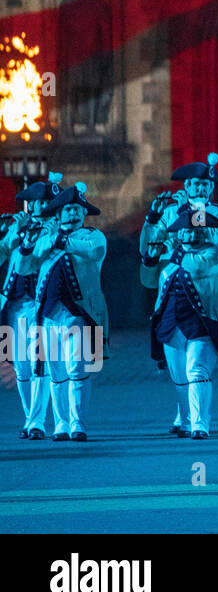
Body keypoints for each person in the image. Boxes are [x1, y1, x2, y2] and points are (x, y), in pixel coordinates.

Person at [139, 152, 218, 433]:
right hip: (171, 305)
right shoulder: (171, 211)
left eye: (205, 184)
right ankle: (185, 416)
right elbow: (150, 247)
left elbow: (210, 236)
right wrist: (152, 220)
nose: (200, 189)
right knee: (179, 374)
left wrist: (185, 215)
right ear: (186, 187)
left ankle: (200, 423)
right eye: (194, 184)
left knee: (197, 369)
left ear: (211, 188)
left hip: (203, 303)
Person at [33, 181, 108, 442]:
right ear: (58, 214)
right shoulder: (45, 239)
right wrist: (49, 237)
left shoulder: (92, 236)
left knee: (76, 368)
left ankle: (78, 423)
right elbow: (33, 256)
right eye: (67, 210)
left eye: (77, 209)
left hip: (79, 314)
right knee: (56, 372)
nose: (73, 213)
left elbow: (92, 250)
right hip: (50, 316)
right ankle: (61, 423)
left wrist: (59, 238)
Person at [1, 173, 62, 439]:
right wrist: (12, 232)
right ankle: (30, 418)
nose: (36, 207)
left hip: (42, 305)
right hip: (13, 305)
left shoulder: (56, 229)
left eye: (42, 202)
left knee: (42, 363)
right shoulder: (18, 227)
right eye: (33, 202)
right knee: (21, 366)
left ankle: (37, 420)